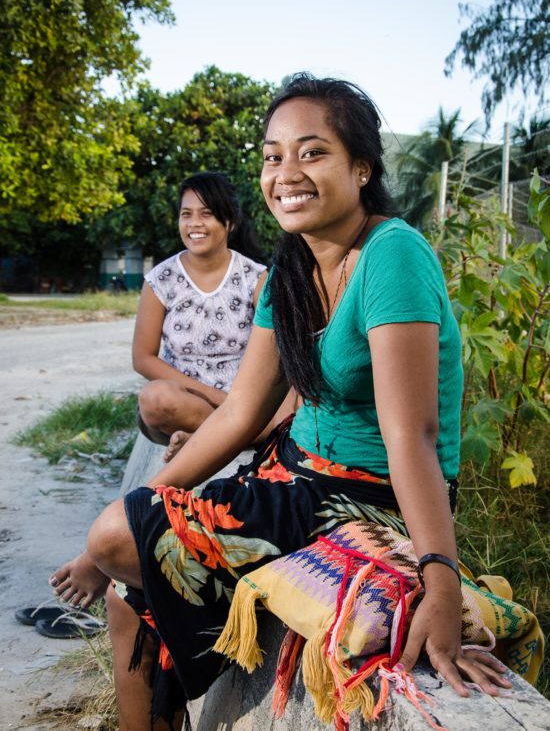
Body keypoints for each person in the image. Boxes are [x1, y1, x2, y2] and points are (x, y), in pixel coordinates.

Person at [50, 75, 510, 731]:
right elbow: (240, 413)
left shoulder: (393, 255)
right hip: (292, 473)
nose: (286, 172)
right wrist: (142, 508)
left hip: (364, 499)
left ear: (361, 168)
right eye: (272, 156)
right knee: (128, 589)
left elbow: (415, 435)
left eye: (312, 152)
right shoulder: (292, 265)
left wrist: (439, 573)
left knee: (118, 541)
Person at [133, 171, 291, 461]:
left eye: (206, 214)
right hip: (187, 403)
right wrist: (219, 399)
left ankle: (208, 437)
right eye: (186, 214)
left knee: (302, 388)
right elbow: (143, 358)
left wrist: (242, 402)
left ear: (228, 222)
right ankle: (250, 434)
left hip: (248, 401)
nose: (194, 224)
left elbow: (282, 348)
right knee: (153, 399)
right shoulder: (161, 280)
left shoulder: (255, 278)